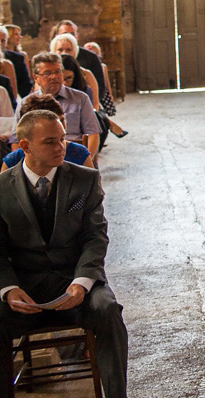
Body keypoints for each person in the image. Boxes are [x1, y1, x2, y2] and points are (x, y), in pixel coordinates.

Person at [0, 110, 128, 397]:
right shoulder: (2, 188)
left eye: (63, 140)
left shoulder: (85, 179)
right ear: (25, 146)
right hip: (25, 288)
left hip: (75, 281)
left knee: (108, 310)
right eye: (50, 142)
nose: (61, 148)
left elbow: (96, 237)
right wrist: (8, 289)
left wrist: (82, 282)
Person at [11, 53, 99, 159]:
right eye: (47, 73)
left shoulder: (80, 98)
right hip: (37, 160)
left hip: (73, 155)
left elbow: (93, 133)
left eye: (58, 71)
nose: (54, 76)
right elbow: (16, 140)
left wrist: (86, 160)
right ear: (36, 77)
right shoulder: (26, 103)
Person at [2, 94, 94, 171]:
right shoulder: (13, 161)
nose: (61, 127)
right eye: (49, 142)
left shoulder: (79, 154)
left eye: (62, 120)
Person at [53, 20, 108, 112]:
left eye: (72, 34)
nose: (64, 53)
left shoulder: (90, 59)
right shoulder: (49, 70)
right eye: (60, 50)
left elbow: (99, 89)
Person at [51, 33, 100, 109]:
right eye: (60, 50)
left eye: (68, 50)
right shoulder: (47, 75)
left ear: (75, 51)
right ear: (54, 51)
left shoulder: (87, 74)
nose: (64, 53)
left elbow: (95, 104)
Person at [2, 24, 32, 98]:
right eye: (16, 34)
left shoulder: (19, 57)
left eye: (2, 40)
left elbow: (25, 82)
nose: (20, 37)